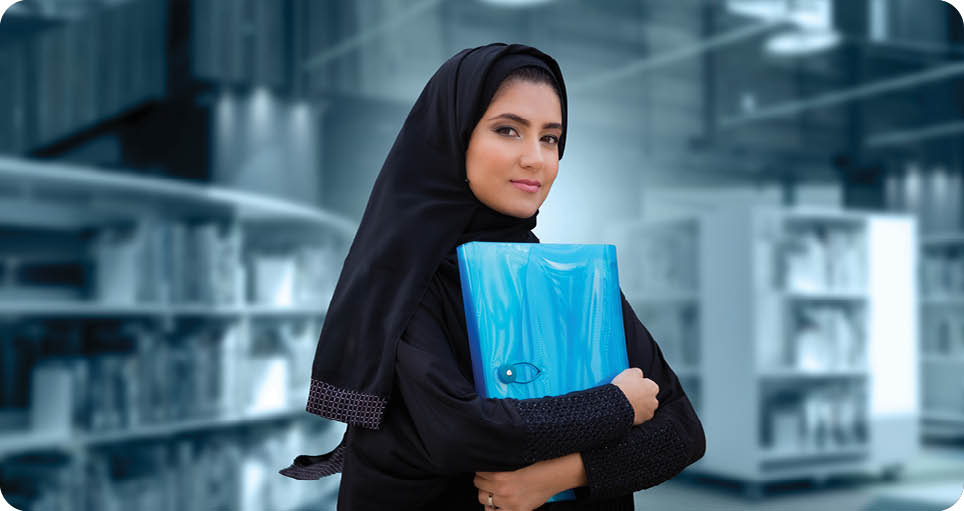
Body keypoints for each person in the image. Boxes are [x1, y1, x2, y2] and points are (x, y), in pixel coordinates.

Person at [280, 42, 705, 510]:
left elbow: (683, 431)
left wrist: (562, 475)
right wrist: (616, 406)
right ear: (454, 136)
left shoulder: (573, 278)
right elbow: (462, 433)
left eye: (550, 138)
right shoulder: (404, 281)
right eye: (508, 130)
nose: (536, 159)